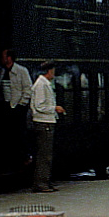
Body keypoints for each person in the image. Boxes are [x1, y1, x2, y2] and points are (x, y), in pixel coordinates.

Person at [0, 49, 34, 177]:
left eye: (3, 56)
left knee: (19, 132)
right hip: (5, 105)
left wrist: (21, 105)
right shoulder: (2, 70)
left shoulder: (21, 71)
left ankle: (25, 157)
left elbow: (28, 89)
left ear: (9, 58)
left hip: (16, 106)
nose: (1, 58)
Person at [30, 61, 65, 193]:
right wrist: (54, 108)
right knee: (44, 155)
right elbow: (39, 106)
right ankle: (41, 183)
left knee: (47, 154)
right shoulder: (41, 85)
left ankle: (45, 181)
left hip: (47, 121)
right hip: (43, 122)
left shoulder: (45, 84)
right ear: (49, 71)